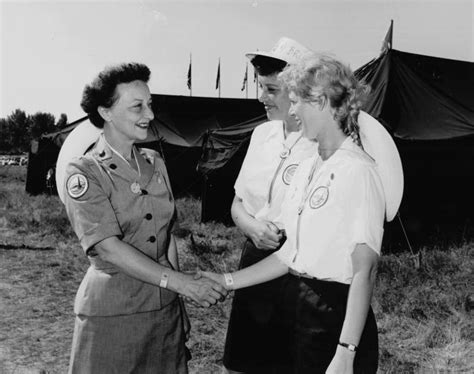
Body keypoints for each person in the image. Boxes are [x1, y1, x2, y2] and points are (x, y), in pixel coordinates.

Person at [203, 53, 404, 374]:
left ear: (322, 102)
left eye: (296, 102)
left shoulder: (359, 171)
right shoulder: (309, 167)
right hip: (302, 310)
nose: (292, 111)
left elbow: (364, 272)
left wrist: (346, 353)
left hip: (338, 315)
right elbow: (290, 256)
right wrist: (225, 280)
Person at [62, 62, 227, 373]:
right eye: (137, 106)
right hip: (113, 314)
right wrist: (181, 283)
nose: (150, 115)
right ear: (106, 112)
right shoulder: (84, 172)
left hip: (163, 314)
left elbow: (167, 238)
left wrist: (177, 299)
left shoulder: (155, 162)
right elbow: (108, 247)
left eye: (149, 105)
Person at [223, 37, 317, 373]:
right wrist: (250, 226)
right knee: (245, 363)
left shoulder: (320, 141)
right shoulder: (261, 136)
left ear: (298, 91)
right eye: (260, 87)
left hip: (300, 272)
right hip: (255, 261)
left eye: (271, 89)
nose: (261, 98)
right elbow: (237, 202)